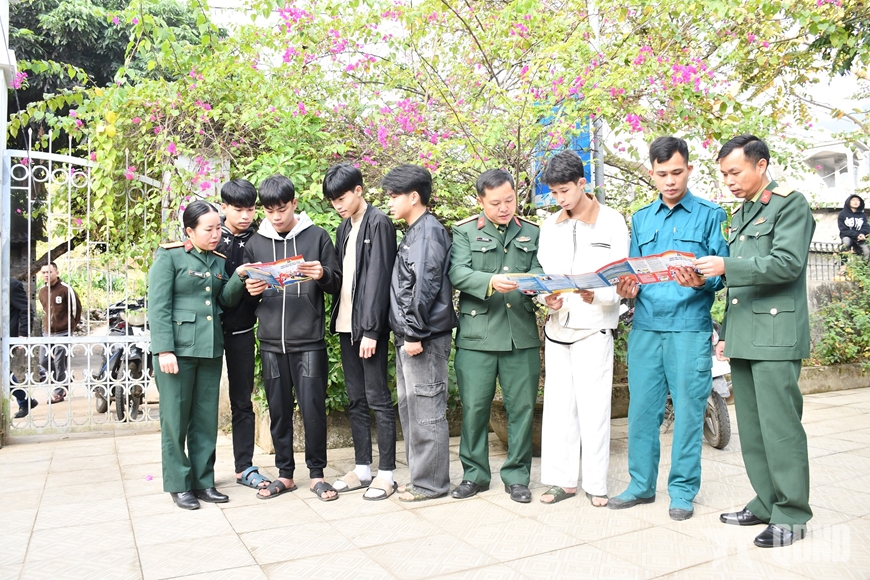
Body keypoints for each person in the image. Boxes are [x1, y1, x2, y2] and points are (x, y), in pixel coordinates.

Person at [696, 134, 815, 548]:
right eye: (724, 174)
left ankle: (792, 514)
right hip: (746, 334)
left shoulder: (790, 204)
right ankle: (766, 502)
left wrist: (725, 265)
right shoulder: (744, 212)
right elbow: (740, 286)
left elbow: (787, 264)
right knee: (753, 427)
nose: (729, 181)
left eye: (735, 172)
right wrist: (726, 333)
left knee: (780, 428)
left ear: (760, 165)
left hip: (776, 335)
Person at [611, 136, 728, 521]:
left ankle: (682, 491)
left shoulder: (711, 215)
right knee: (642, 412)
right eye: (662, 174)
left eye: (677, 172)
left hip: (689, 329)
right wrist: (626, 289)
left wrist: (702, 281)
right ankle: (640, 485)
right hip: (646, 328)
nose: (670, 180)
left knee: (689, 413)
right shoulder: (641, 218)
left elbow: (722, 274)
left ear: (689, 169)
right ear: (652, 173)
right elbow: (633, 271)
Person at [535, 151, 629, 507]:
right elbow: (545, 275)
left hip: (595, 328)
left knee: (594, 409)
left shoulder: (612, 221)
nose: (560, 199)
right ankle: (562, 481)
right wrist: (547, 299)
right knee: (559, 409)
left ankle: (596, 484)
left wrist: (598, 295)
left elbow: (621, 278)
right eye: (554, 193)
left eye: (565, 191)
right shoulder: (550, 226)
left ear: (582, 183)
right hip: (558, 328)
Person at [241, 174, 342, 502]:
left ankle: (317, 475)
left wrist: (322, 274)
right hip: (271, 343)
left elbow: (337, 283)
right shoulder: (256, 243)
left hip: (309, 341)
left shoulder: (317, 237)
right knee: (278, 411)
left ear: (294, 204)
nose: (276, 217)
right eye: (269, 211)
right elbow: (247, 297)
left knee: (313, 409)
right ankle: (285, 474)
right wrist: (250, 289)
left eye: (282, 209)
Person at [448, 168, 542, 504]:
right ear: (481, 201)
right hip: (478, 336)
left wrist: (534, 281)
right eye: (495, 203)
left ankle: (517, 477)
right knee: (474, 408)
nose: (504, 208)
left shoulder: (532, 231)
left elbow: (541, 268)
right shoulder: (464, 232)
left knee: (522, 409)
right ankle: (474, 475)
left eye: (509, 200)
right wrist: (489, 282)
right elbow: (457, 272)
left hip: (520, 334)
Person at [148, 200, 248, 510]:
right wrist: (164, 349)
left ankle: (204, 481)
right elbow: (158, 306)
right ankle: (179, 484)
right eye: (209, 229)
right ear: (189, 231)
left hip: (209, 348)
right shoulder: (170, 256)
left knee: (205, 419)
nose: (216, 234)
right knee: (175, 420)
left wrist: (240, 276)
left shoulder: (218, 260)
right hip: (177, 351)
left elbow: (224, 300)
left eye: (219, 228)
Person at [323, 164, 399, 501]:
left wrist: (371, 330)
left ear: (358, 190)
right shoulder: (344, 226)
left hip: (369, 329)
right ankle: (362, 468)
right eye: (332, 201)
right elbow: (344, 278)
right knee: (356, 399)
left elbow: (380, 278)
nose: (337, 205)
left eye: (341, 198)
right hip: (346, 325)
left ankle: (387, 473)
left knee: (378, 397)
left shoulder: (378, 222)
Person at [385, 164, 457, 502]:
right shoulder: (416, 231)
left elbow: (423, 286)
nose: (389, 202)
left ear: (414, 197)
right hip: (411, 335)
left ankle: (431, 484)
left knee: (427, 412)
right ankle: (421, 479)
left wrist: (413, 333)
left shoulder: (427, 233)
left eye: (394, 195)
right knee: (412, 408)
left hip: (422, 337)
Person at [215, 179, 269, 491]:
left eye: (250, 209)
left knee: (243, 401)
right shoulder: (210, 236)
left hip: (243, 330)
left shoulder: (260, 240)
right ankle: (201, 471)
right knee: (202, 404)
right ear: (224, 207)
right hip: (209, 332)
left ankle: (245, 467)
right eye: (238, 209)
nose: (246, 215)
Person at [38, 262, 82, 404]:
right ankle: (63, 378)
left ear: (56, 273)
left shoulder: (65, 290)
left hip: (63, 332)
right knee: (43, 361)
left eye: (49, 272)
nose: (46, 275)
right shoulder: (42, 291)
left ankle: (59, 392)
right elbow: (45, 310)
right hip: (47, 332)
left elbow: (76, 309)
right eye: (44, 272)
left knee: (59, 362)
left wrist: (70, 326)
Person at [9, 277, 39, 418]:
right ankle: (25, 400)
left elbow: (26, 310)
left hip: (5, 336)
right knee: (4, 373)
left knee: (3, 372)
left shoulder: (11, 285)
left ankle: (24, 400)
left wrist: (23, 334)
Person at [837, 194, 870, 260]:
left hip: (860, 238)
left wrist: (861, 234)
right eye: (853, 200)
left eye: (858, 200)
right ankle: (844, 264)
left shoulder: (862, 215)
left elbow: (866, 227)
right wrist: (856, 235)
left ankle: (863, 266)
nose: (856, 202)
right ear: (849, 202)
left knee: (867, 251)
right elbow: (843, 229)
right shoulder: (842, 214)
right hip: (848, 236)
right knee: (846, 243)